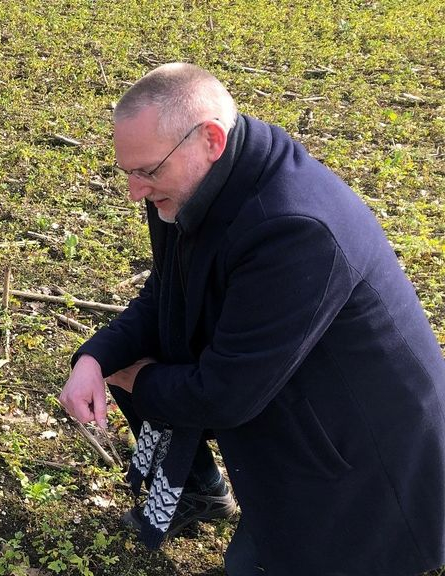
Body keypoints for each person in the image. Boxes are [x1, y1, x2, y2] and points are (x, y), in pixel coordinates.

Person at [59, 62, 445, 575]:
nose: (135, 191)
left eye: (147, 171)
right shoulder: (192, 185)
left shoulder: (293, 228)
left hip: (366, 459)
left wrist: (141, 377)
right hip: (282, 389)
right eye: (127, 171)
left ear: (211, 140)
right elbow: (167, 295)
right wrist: (97, 356)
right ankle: (198, 492)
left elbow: (227, 394)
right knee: (135, 361)